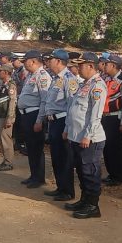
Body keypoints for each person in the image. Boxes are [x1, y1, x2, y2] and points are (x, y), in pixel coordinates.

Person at [63, 52, 108, 219]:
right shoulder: (84, 84)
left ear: (91, 66)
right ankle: (84, 200)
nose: (78, 68)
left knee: (90, 171)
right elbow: (74, 108)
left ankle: (92, 205)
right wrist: (68, 129)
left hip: (90, 138)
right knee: (81, 171)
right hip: (77, 135)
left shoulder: (98, 85)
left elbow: (96, 114)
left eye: (81, 65)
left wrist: (87, 135)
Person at [42, 49, 79, 202]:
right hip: (53, 121)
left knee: (64, 158)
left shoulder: (69, 79)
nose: (48, 62)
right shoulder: (56, 78)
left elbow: (72, 105)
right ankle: (60, 187)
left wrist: (67, 127)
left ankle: (68, 191)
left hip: (62, 121)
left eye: (51, 59)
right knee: (56, 157)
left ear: (58, 61)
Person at [17, 50, 50, 188]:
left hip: (34, 115)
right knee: (30, 147)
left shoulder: (43, 76)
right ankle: (33, 175)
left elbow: (44, 100)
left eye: (25, 60)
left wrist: (39, 120)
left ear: (33, 61)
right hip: (25, 115)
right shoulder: (31, 75)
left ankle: (39, 178)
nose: (24, 63)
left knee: (36, 147)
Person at [101, 54, 122, 186]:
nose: (104, 66)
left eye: (106, 64)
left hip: (115, 118)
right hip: (105, 117)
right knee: (106, 148)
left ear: (113, 65)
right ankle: (111, 173)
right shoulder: (106, 79)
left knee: (115, 148)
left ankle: (118, 176)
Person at [0, 64, 17, 171]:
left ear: (6, 73)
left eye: (1, 71)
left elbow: (12, 102)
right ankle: (5, 160)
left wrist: (10, 118)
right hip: (2, 115)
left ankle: (8, 162)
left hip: (7, 116)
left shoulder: (10, 85)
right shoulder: (4, 84)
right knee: (2, 138)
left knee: (6, 139)